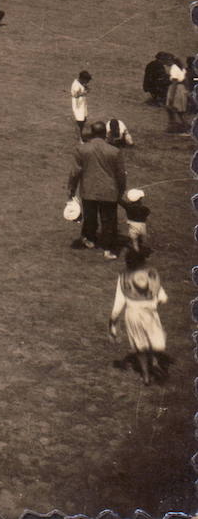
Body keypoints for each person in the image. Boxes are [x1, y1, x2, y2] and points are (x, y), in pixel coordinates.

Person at [67, 120, 127, 258]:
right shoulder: (115, 151)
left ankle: (90, 240)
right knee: (109, 220)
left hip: (89, 190)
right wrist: (121, 190)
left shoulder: (81, 149)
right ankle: (108, 250)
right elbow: (120, 174)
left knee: (90, 218)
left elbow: (75, 172)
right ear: (105, 133)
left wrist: (71, 190)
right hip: (109, 191)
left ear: (92, 133)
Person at [109, 248, 168, 385]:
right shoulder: (151, 275)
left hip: (132, 314)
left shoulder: (123, 277)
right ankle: (154, 361)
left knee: (140, 345)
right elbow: (163, 298)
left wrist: (112, 323)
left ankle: (146, 375)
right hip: (150, 314)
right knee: (157, 343)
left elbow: (118, 303)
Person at [70, 71, 91, 140]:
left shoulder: (81, 83)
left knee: (84, 120)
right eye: (86, 80)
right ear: (82, 78)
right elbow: (75, 95)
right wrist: (84, 93)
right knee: (79, 122)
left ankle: (80, 135)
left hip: (82, 104)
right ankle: (79, 138)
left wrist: (86, 88)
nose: (87, 82)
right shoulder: (76, 85)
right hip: (77, 106)